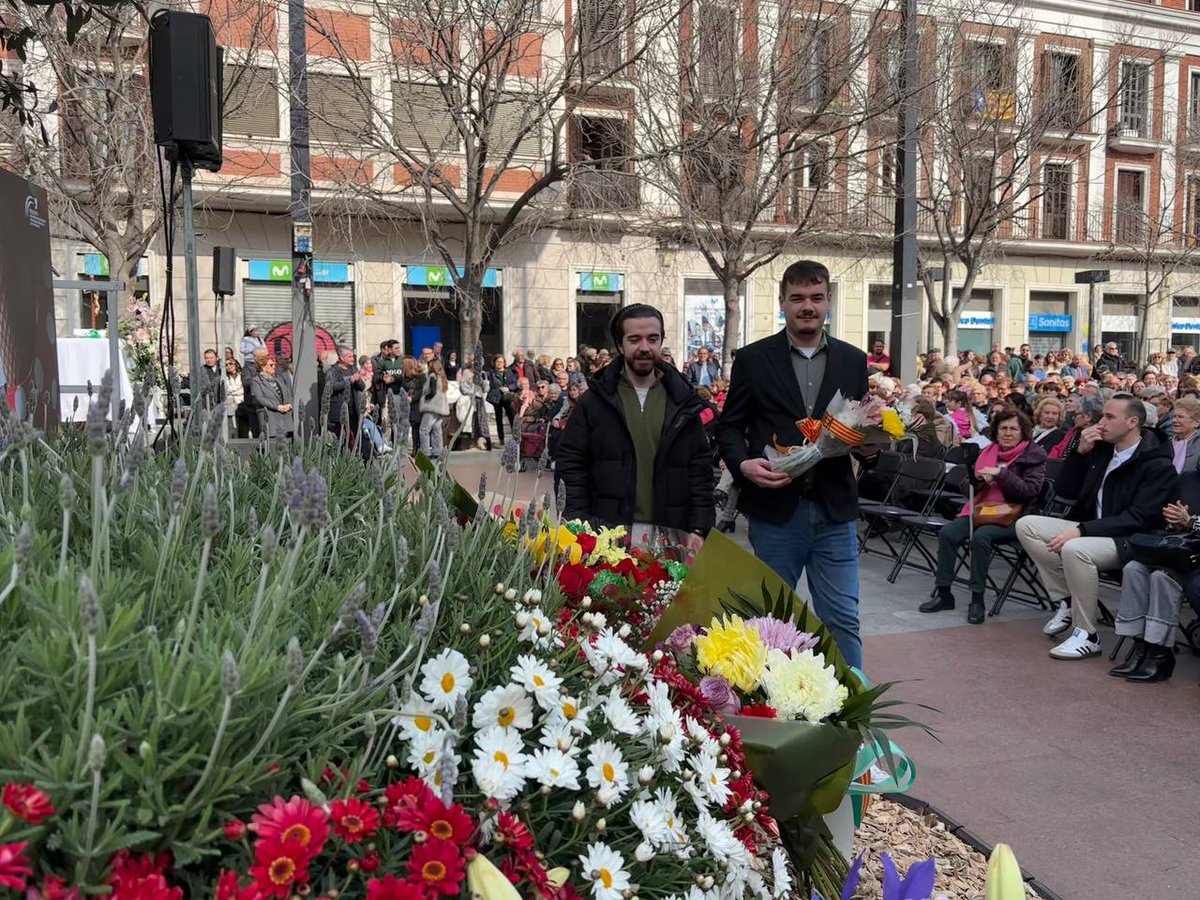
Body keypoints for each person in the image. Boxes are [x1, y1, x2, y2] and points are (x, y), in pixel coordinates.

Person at [716, 260, 869, 668]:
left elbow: (859, 428)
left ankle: (856, 715)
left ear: (828, 303)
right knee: (770, 622)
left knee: (842, 620)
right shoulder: (752, 359)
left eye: (816, 298)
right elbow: (729, 428)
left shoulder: (854, 361)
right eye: (798, 298)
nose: (807, 306)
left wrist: (873, 443)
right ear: (782, 302)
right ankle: (771, 709)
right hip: (775, 513)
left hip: (835, 512)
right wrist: (744, 464)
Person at [1015, 396, 1177, 659]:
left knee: (1075, 549)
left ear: (1132, 422)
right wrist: (1079, 453)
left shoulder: (1157, 463)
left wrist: (1082, 529)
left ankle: (1086, 634)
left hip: (1132, 541)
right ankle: (1067, 600)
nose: (1101, 422)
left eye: (1110, 417)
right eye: (1103, 415)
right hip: (1095, 529)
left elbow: (1139, 518)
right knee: (1027, 526)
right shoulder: (1101, 449)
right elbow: (1065, 491)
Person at [557, 303, 714, 553]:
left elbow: (699, 470)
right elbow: (571, 465)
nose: (644, 347)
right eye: (634, 339)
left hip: (672, 535)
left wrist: (700, 527)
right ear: (620, 345)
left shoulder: (682, 401)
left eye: (653, 339)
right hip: (607, 536)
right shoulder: (595, 402)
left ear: (661, 340)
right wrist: (578, 522)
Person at [921, 406, 1047, 624]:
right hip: (981, 510)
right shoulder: (987, 453)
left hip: (1014, 516)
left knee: (981, 537)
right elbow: (965, 487)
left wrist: (1002, 474)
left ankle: (977, 598)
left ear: (1023, 432)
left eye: (1013, 429)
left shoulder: (1033, 456)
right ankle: (944, 593)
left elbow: (1030, 492)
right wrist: (977, 481)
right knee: (948, 533)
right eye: (1003, 428)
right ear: (996, 431)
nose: (1007, 433)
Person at [1110, 476, 1200, 683]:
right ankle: (1140, 648)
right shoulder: (1188, 480)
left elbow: (1190, 520)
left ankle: (1160, 654)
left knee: (1162, 578)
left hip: (1195, 560)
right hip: (1178, 550)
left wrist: (1191, 522)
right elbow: (1162, 517)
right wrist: (1174, 522)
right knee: (1134, 569)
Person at [326, 346, 366, 443]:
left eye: (353, 357)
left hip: (353, 412)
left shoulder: (353, 369)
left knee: (354, 439)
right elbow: (332, 387)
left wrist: (358, 380)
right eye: (349, 357)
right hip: (339, 413)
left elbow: (362, 387)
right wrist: (350, 380)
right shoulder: (332, 371)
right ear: (341, 358)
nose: (352, 359)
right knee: (342, 440)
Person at [250, 355, 294, 439]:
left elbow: (287, 392)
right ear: (263, 367)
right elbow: (259, 398)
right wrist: (277, 407)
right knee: (273, 445)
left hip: (285, 416)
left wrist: (289, 404)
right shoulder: (256, 381)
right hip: (270, 418)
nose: (274, 367)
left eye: (274, 364)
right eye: (271, 365)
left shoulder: (278, 378)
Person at [418, 360, 450, 458]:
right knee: (437, 430)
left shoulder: (432, 376)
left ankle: (426, 452)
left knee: (424, 430)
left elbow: (432, 391)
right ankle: (438, 451)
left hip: (431, 407)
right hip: (440, 407)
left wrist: (424, 397)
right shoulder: (442, 377)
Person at [486, 354, 517, 443]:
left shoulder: (509, 372)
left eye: (501, 362)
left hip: (507, 397)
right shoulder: (491, 373)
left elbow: (514, 384)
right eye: (497, 362)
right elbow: (484, 379)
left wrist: (509, 388)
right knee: (499, 419)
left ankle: (515, 437)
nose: (499, 364)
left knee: (512, 417)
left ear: (504, 363)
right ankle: (501, 439)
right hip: (497, 398)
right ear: (494, 363)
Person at [1170, 394, 1200, 473]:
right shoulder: (1169, 441)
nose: (1174, 420)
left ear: (1196, 422)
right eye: (1174, 416)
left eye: (1180, 417)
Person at [223, 358, 249, 438]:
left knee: (243, 430)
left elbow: (244, 389)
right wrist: (238, 389)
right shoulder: (224, 378)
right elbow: (226, 390)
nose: (228, 366)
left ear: (236, 364)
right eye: (226, 365)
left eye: (231, 364)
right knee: (232, 430)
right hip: (231, 405)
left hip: (242, 404)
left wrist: (232, 391)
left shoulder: (242, 375)